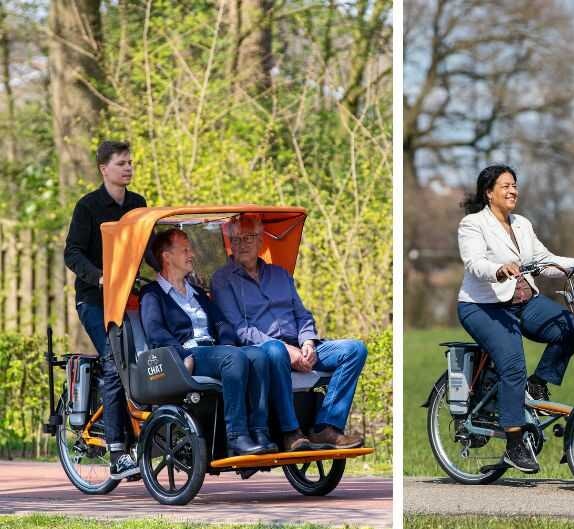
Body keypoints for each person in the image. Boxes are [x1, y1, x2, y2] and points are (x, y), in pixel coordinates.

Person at [450, 164, 574, 474]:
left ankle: (538, 384)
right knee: (513, 365)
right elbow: (474, 263)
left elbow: (545, 261)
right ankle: (514, 443)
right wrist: (498, 270)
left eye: (515, 185)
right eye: (506, 186)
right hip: (484, 307)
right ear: (489, 192)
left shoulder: (522, 224)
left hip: (524, 302)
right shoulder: (473, 224)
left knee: (570, 327)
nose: (513, 190)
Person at [210, 214, 366, 450]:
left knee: (354, 349)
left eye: (249, 238)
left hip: (299, 345)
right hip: (263, 350)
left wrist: (307, 344)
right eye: (236, 239)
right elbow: (240, 329)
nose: (242, 244)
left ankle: (326, 426)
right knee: (274, 350)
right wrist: (286, 348)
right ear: (229, 242)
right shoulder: (222, 279)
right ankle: (290, 431)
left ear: (261, 241)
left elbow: (302, 315)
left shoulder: (280, 275)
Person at [140, 229, 277, 456]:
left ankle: (260, 431)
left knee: (259, 355)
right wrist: (183, 356)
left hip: (215, 352)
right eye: (185, 250)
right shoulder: (152, 294)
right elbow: (156, 333)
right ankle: (237, 437)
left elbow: (222, 323)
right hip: (189, 355)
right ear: (166, 256)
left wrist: (228, 344)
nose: (191, 254)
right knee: (233, 358)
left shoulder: (196, 292)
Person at [63, 140, 147, 479]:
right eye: (121, 163)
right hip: (95, 300)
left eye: (130, 162)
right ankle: (116, 452)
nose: (128, 168)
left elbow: (147, 248)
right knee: (115, 363)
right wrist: (99, 278)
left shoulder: (138, 204)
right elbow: (72, 253)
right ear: (104, 169)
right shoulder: (88, 207)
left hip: (128, 297)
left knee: (150, 356)